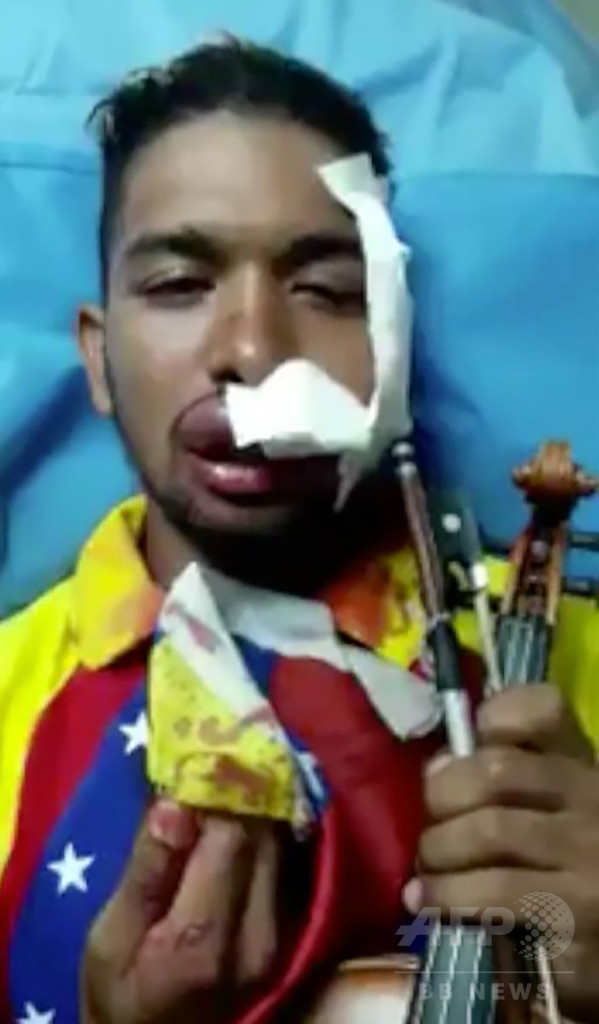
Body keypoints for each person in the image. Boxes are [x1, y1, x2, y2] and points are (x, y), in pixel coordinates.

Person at [0, 38, 598, 1024]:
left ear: (395, 351)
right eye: (178, 284)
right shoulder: (12, 697)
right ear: (98, 362)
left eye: (325, 291)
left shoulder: (558, 669)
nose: (252, 351)